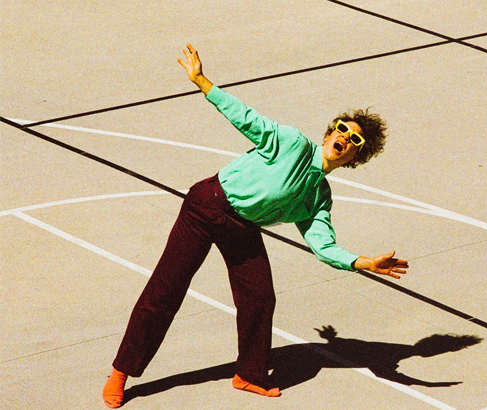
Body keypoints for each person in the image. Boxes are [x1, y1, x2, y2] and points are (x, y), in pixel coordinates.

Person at [102, 44, 409, 408]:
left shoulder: (318, 197)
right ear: (328, 134)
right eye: (341, 129)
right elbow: (246, 117)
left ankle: (248, 375)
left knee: (260, 298)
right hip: (206, 207)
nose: (344, 138)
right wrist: (202, 80)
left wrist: (363, 262)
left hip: (242, 228)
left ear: (356, 156)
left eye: (354, 140)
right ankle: (122, 371)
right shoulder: (292, 142)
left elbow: (324, 245)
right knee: (167, 290)